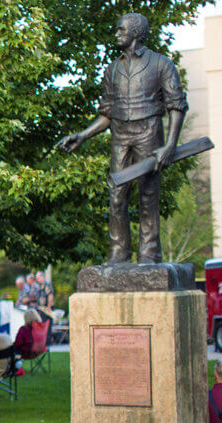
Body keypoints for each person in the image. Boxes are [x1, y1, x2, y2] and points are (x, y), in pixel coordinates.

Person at [56, 12, 188, 264]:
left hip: (149, 131)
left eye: (120, 30)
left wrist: (170, 144)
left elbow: (177, 106)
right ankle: (119, 252)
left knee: (148, 194)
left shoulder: (161, 64)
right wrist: (82, 136)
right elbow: (107, 114)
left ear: (136, 33)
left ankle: (149, 254)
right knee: (117, 194)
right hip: (120, 135)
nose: (116, 34)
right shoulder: (112, 69)